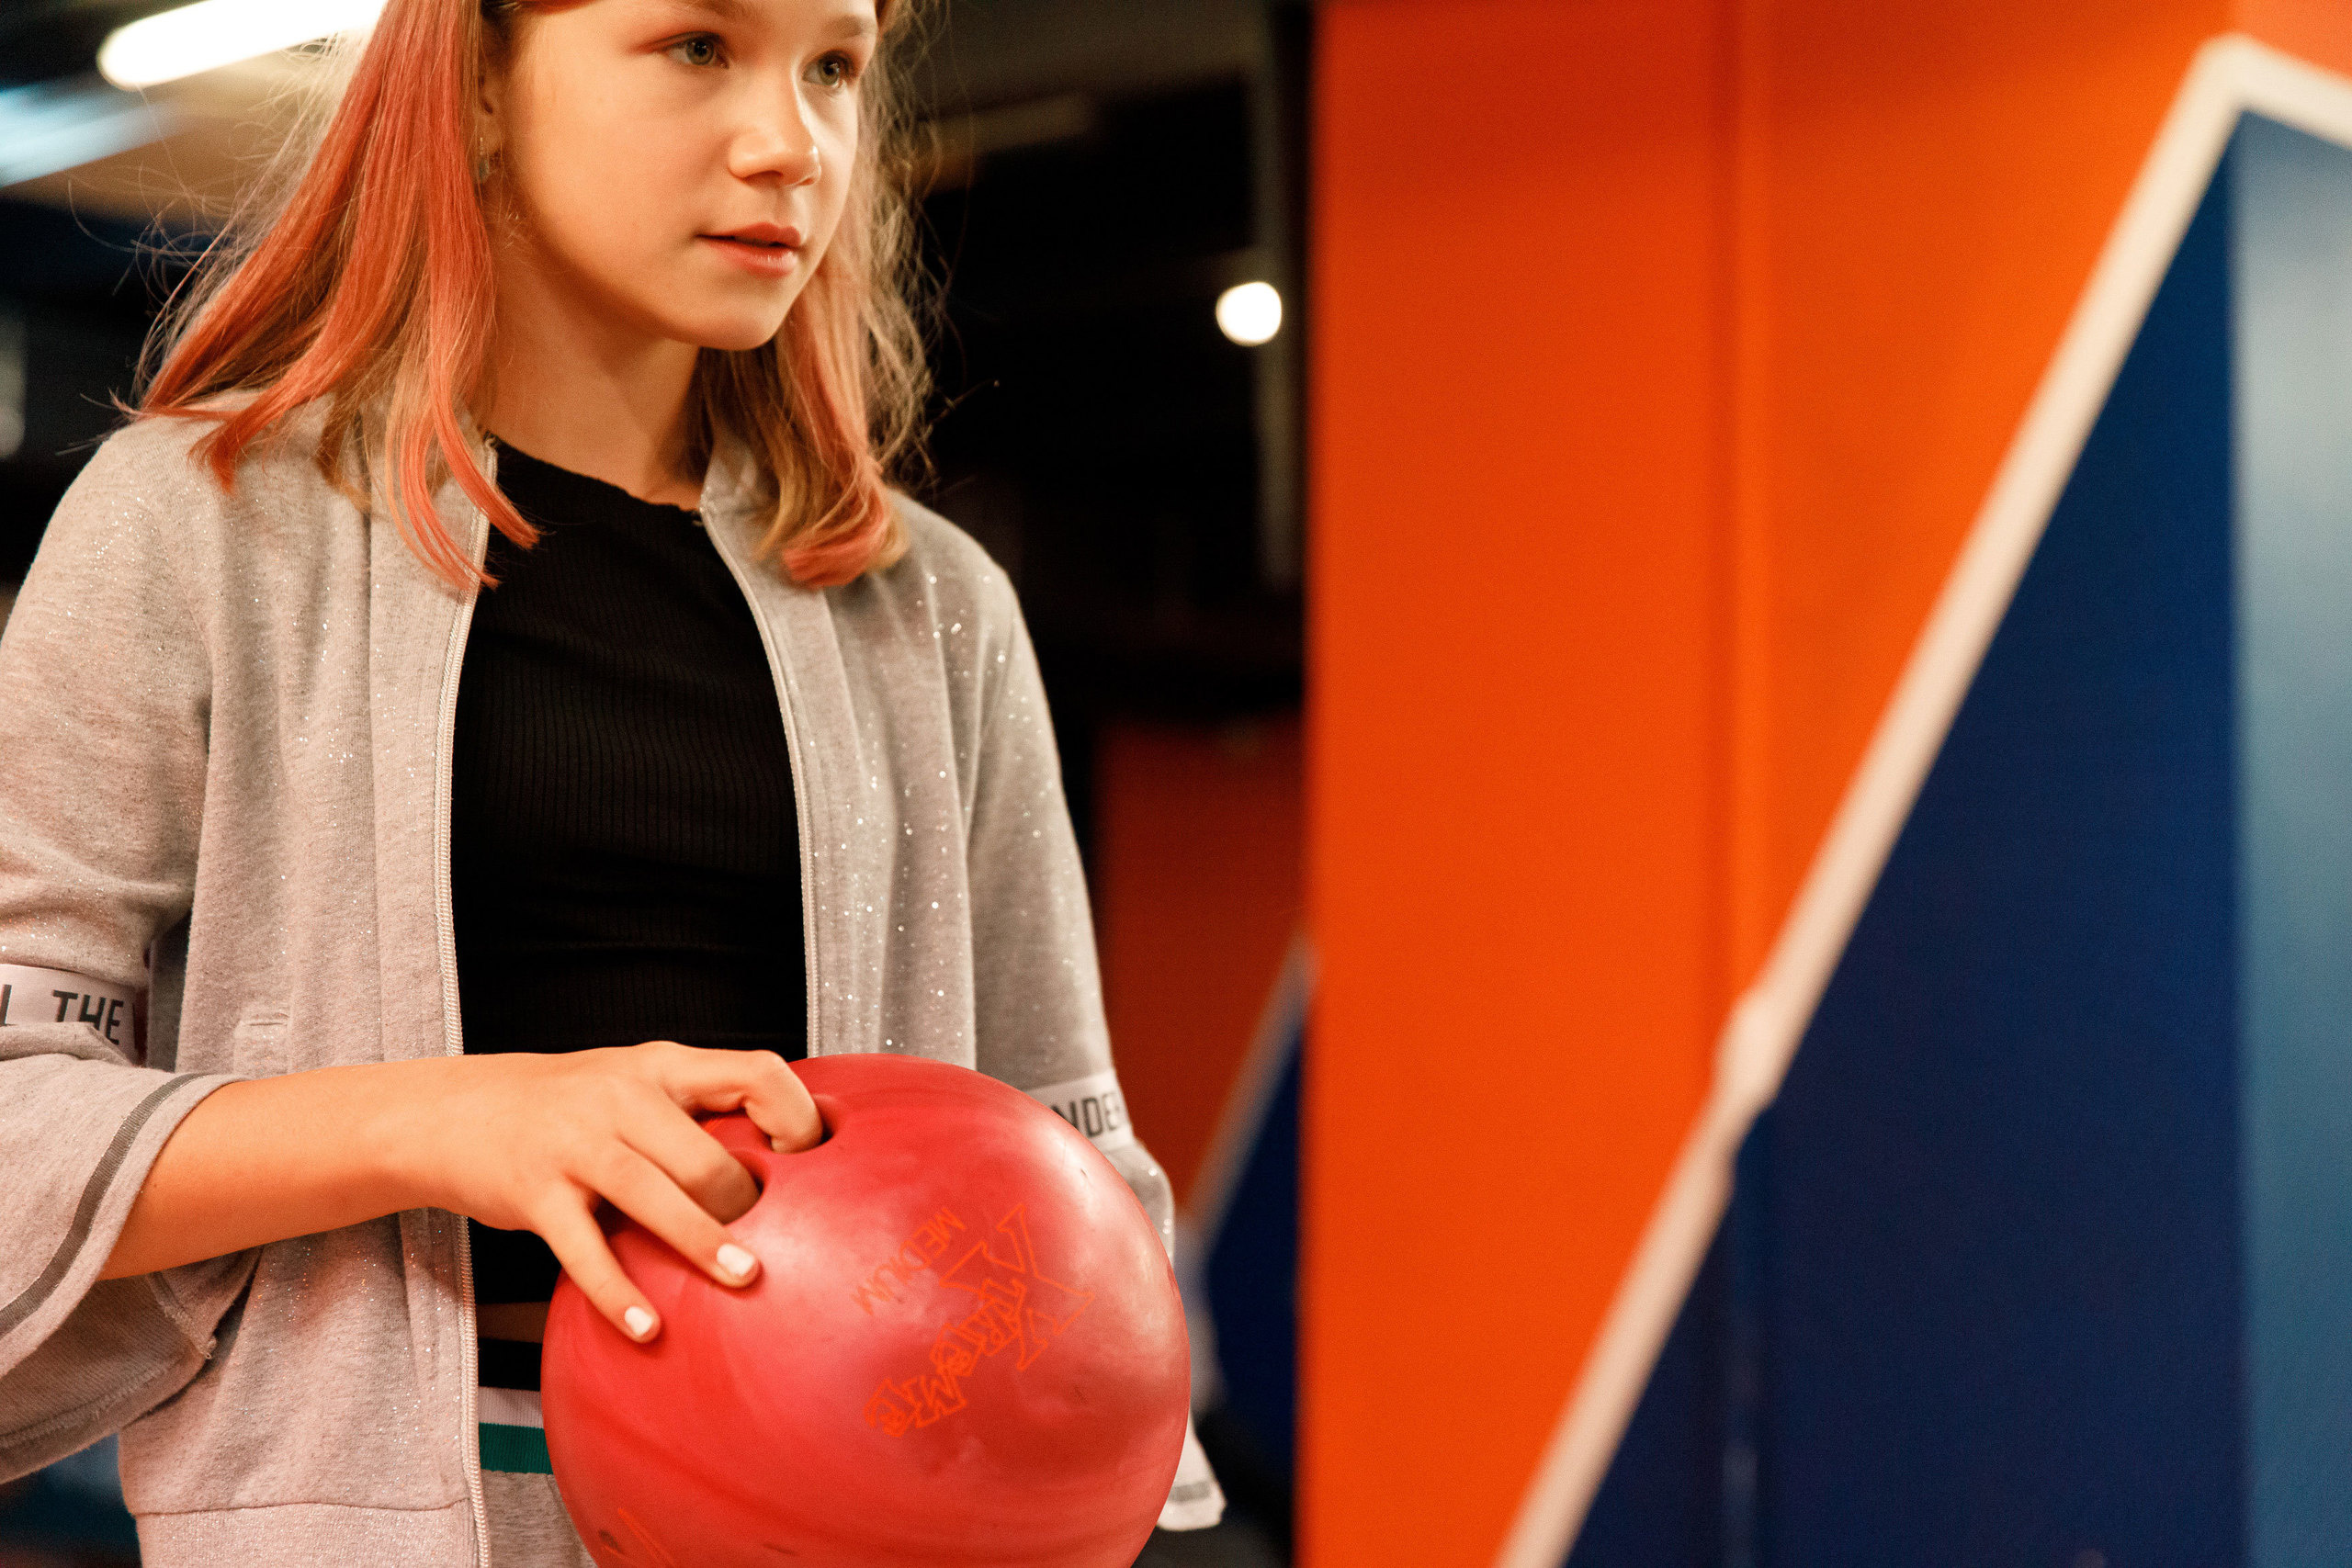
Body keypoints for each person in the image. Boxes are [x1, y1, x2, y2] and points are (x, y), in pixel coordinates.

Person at [0, 0, 1218, 1562]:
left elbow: (1068, 1166)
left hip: (861, 1523)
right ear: (485, 82)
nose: (794, 144)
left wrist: (1092, 1489)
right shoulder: (200, 523)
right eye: (699, 45)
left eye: (834, 66)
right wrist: (451, 1119)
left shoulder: (933, 607)